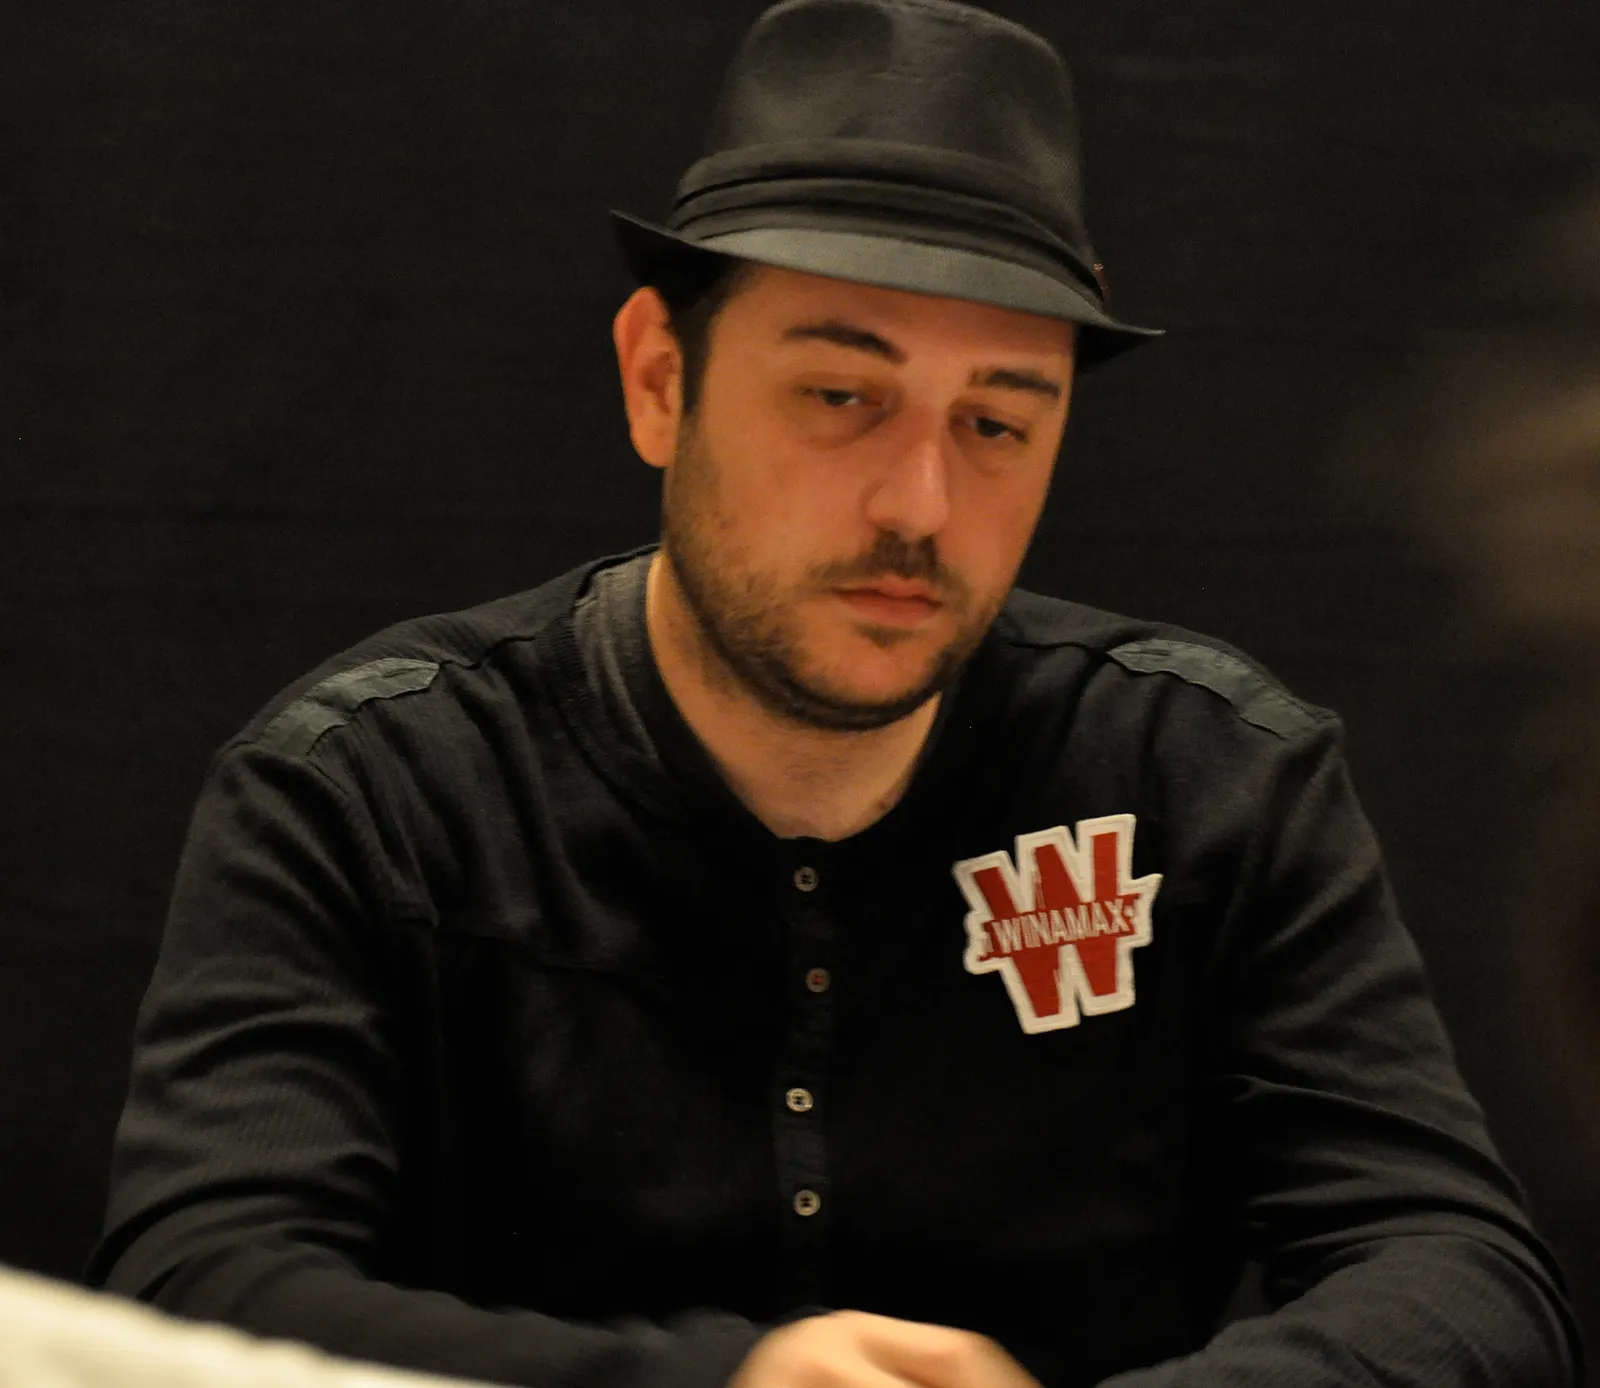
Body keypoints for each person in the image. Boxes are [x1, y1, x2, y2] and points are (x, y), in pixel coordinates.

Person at [89, 1, 1582, 1385]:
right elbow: (193, 1283)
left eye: (997, 422)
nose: (919, 504)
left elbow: (1467, 1279)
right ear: (659, 380)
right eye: (839, 395)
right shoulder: (372, 792)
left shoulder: (1208, 776)